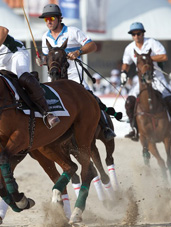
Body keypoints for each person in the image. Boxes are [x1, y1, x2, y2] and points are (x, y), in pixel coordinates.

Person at [36, 3, 116, 140]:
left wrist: (79, 51)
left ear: (59, 18)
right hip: (55, 76)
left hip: (73, 73)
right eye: (46, 19)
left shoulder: (72, 31)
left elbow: (92, 45)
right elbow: (47, 57)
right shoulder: (45, 37)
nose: (48, 22)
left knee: (90, 98)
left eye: (51, 18)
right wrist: (42, 61)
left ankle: (105, 127)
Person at [120, 22, 171, 141]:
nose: (136, 36)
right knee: (129, 101)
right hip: (141, 80)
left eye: (138, 33)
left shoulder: (152, 43)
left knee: (170, 99)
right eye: (133, 34)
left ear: (143, 33)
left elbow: (163, 56)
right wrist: (123, 73)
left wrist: (145, 59)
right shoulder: (129, 48)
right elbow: (126, 63)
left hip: (156, 77)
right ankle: (133, 128)